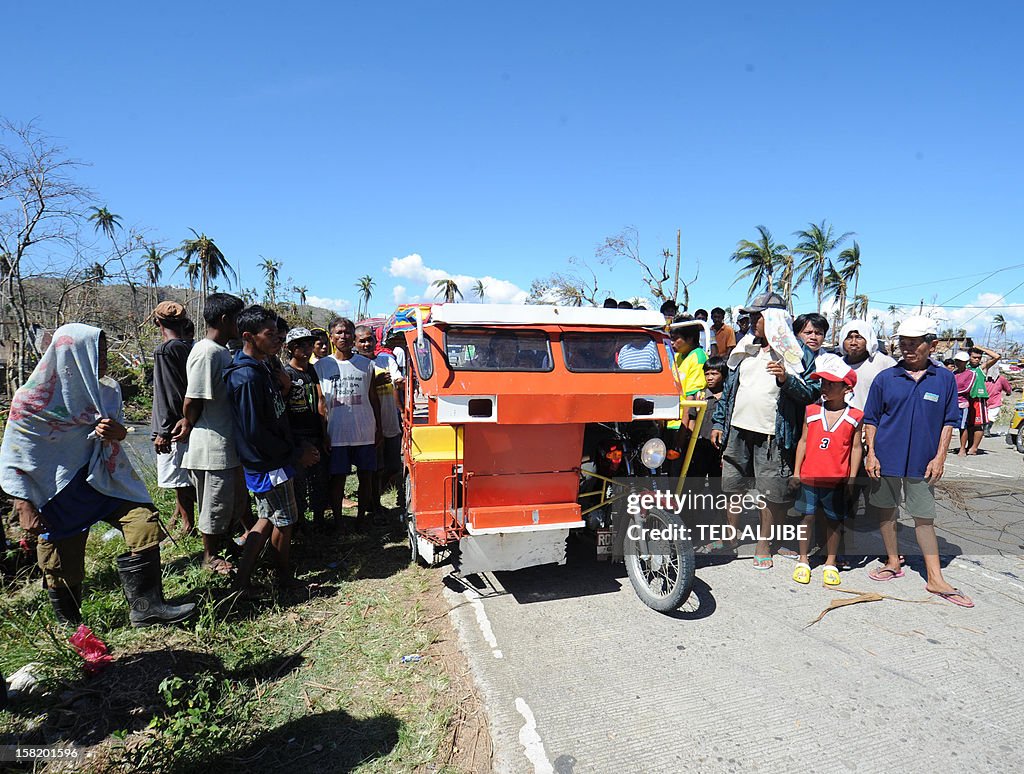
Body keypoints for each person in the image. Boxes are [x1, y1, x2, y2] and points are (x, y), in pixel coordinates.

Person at [0, 324, 195, 627]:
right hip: (57, 491)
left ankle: (147, 607)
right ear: (71, 355)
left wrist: (117, 432)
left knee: (143, 522)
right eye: (96, 352)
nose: (103, 359)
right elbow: (14, 455)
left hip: (103, 480)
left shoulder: (107, 391)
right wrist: (23, 505)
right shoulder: (31, 401)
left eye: (103, 352)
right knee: (62, 564)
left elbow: (118, 431)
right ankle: (72, 631)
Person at [863, 315, 973, 607]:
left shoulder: (944, 379)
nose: (908, 350)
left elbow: (949, 422)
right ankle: (892, 561)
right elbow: (871, 419)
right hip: (886, 456)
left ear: (931, 344)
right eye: (903, 344)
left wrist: (940, 458)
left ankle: (935, 578)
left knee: (924, 517)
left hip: (923, 461)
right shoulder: (886, 378)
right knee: (886, 511)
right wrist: (871, 453)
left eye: (914, 344)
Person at [710, 292, 820, 569]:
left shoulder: (798, 353)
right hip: (737, 431)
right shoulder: (744, 347)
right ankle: (730, 535)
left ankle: (764, 543)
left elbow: (811, 393)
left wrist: (786, 379)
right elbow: (730, 390)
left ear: (773, 320)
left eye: (757, 316)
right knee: (732, 487)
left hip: (773, 435)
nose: (752, 321)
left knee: (772, 492)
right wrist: (718, 422)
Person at [224, 306, 320, 593]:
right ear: (248, 337)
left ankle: (242, 582)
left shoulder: (263, 368)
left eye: (279, 334)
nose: (278, 339)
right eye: (270, 334)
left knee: (266, 519)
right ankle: (284, 581)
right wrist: (294, 454)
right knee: (285, 521)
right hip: (269, 463)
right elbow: (255, 432)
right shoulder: (246, 377)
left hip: (273, 459)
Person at [172, 293, 247, 576]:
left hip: (227, 441)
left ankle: (225, 546)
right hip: (212, 445)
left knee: (233, 502)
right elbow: (193, 398)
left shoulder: (222, 350)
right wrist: (188, 422)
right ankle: (210, 555)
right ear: (226, 319)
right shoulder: (206, 351)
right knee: (214, 504)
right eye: (238, 318)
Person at [791, 355, 863, 587]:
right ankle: (803, 560)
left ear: (846, 387)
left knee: (833, 521)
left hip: (836, 479)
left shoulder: (855, 416)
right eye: (822, 382)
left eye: (831, 383)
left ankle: (831, 562)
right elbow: (803, 441)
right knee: (807, 517)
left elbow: (855, 448)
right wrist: (796, 471)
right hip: (810, 475)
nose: (825, 387)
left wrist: (852, 478)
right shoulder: (811, 410)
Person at [315, 317, 383, 529]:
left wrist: (378, 428)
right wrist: (324, 433)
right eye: (339, 333)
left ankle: (362, 518)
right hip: (336, 433)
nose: (343, 336)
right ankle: (337, 520)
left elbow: (373, 398)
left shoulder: (366, 364)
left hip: (364, 430)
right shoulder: (321, 366)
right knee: (338, 479)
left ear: (353, 336)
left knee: (366, 476)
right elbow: (320, 403)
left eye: (347, 332)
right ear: (331, 337)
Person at [150, 301, 197, 535]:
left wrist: (163, 431)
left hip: (175, 426)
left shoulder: (165, 350)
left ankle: (187, 526)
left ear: (157, 322)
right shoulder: (192, 347)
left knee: (179, 480)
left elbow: (169, 393)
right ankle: (183, 520)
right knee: (187, 478)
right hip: (191, 420)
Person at [282, 327, 329, 531]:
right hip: (297, 436)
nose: (308, 349)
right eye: (302, 345)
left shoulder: (312, 370)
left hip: (315, 433)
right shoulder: (285, 374)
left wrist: (324, 432)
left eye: (310, 344)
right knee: (298, 483)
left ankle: (319, 520)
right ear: (291, 348)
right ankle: (299, 523)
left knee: (319, 480)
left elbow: (320, 400)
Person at [355, 325, 404, 515]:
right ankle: (373, 504)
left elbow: (397, 379)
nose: (367, 344)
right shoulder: (355, 364)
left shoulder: (386, 359)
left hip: (390, 421)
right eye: (362, 341)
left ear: (376, 341)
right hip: (368, 424)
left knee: (392, 465)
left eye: (369, 340)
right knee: (372, 468)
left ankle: (376, 497)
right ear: (355, 343)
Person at [839, 320, 897, 412]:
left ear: (868, 340)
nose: (853, 342)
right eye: (849, 338)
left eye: (859, 337)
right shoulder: (836, 365)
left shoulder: (885, 363)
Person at [668, 321, 707, 458]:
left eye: (675, 339)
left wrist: (680, 440)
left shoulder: (698, 358)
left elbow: (691, 402)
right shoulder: (678, 356)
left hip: (681, 428)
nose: (672, 342)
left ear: (689, 339)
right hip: (670, 421)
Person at [985, 366, 1013, 437]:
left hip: (988, 401)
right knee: (991, 416)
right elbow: (1008, 388)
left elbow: (1008, 388)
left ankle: (985, 429)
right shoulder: (1000, 379)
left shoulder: (984, 378)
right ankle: (986, 430)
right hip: (991, 401)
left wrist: (1008, 392)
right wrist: (1008, 392)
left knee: (990, 416)